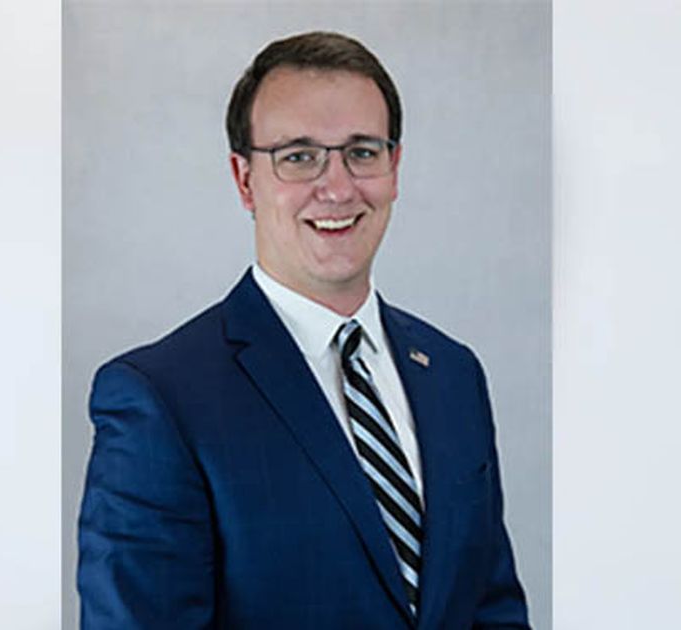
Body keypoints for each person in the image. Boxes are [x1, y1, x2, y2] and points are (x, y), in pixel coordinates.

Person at [77, 31, 530, 629]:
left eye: (362, 152)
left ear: (394, 167)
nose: (337, 188)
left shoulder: (453, 373)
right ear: (245, 180)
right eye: (298, 156)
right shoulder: (161, 399)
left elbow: (492, 610)